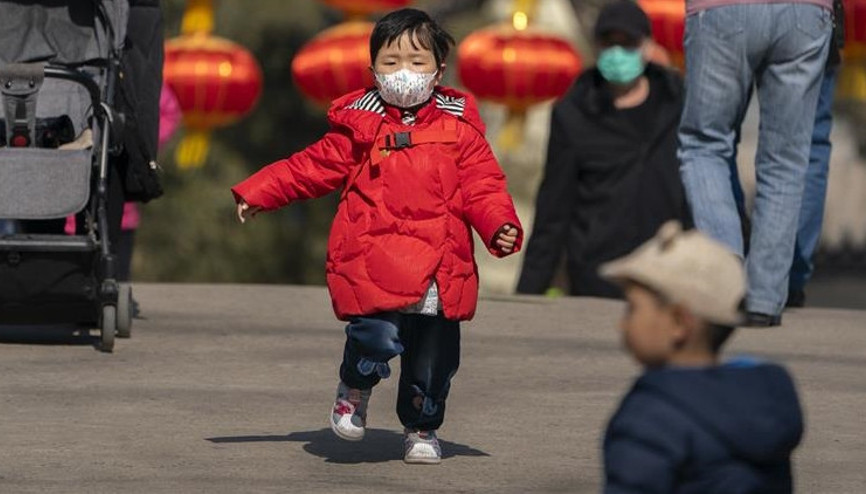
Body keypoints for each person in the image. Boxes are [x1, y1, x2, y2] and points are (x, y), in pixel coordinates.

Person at [231, 8, 522, 465]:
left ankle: (422, 427)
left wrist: (499, 226)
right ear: (372, 71)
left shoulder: (461, 131)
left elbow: (484, 187)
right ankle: (355, 386)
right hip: (375, 259)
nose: (404, 72)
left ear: (439, 71)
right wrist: (259, 192)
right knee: (375, 337)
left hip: (439, 269)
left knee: (433, 363)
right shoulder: (359, 128)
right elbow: (308, 168)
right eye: (390, 62)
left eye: (417, 61)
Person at [598, 221, 804, 493]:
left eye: (632, 309)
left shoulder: (650, 417)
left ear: (679, 323)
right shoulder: (764, 404)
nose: (622, 325)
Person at [516, 0, 690, 298]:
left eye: (628, 43)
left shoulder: (678, 102)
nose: (618, 53)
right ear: (597, 47)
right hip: (599, 277)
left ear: (647, 46)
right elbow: (554, 209)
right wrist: (527, 296)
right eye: (610, 44)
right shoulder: (573, 114)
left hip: (672, 268)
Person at [677, 0, 833, 326]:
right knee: (786, 161)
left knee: (704, 144)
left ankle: (726, 266)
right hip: (806, 13)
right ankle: (764, 297)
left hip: (722, 10)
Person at [730, 0, 845, 308]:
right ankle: (787, 276)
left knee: (713, 140)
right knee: (807, 146)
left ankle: (730, 260)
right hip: (811, 15)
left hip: (728, 13)